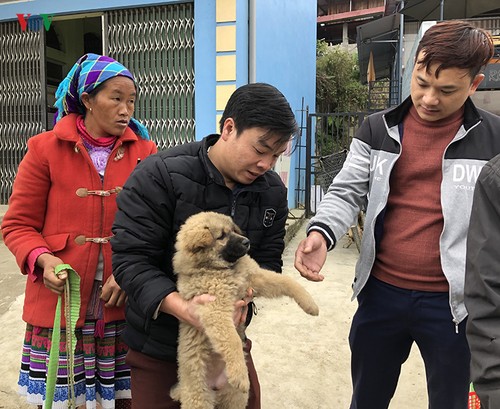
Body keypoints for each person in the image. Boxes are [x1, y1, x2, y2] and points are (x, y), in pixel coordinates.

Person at [294, 20, 500, 409]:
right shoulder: (377, 129)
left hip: (455, 306)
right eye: (421, 82)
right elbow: (346, 190)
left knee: (451, 401)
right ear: (413, 66)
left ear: (475, 84)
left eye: (446, 90)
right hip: (381, 294)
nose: (428, 98)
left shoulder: (494, 140)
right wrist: (321, 233)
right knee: (367, 398)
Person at [110, 82, 298, 409]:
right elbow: (131, 261)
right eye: (260, 149)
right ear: (229, 128)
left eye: (276, 155)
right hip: (160, 345)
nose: (266, 164)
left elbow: (268, 258)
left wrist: (244, 295)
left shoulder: (271, 192)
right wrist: (185, 309)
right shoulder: (159, 175)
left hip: (228, 341)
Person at [1, 53, 157, 409]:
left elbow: (156, 227)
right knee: (64, 401)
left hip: (120, 306)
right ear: (87, 99)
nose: (125, 109)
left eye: (131, 101)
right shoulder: (44, 149)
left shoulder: (145, 152)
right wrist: (43, 260)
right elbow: (18, 223)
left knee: (123, 401)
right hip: (60, 303)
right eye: (115, 98)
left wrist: (130, 272)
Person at [465, 153, 500, 409]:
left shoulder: (490, 131)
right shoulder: (495, 177)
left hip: (450, 304)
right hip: (384, 292)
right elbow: (487, 288)